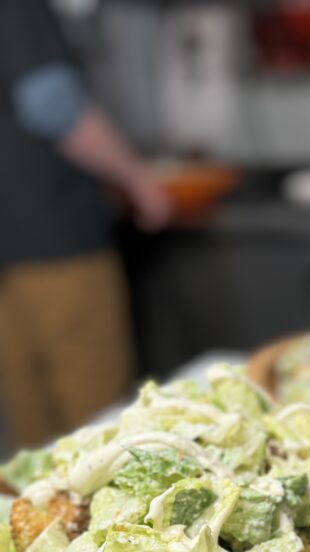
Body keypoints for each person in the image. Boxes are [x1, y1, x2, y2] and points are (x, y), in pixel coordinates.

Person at [0, 0, 172, 448]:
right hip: (56, 241)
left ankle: (43, 516)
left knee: (32, 424)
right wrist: (136, 177)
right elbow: (53, 104)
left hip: (10, 245)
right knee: (98, 420)